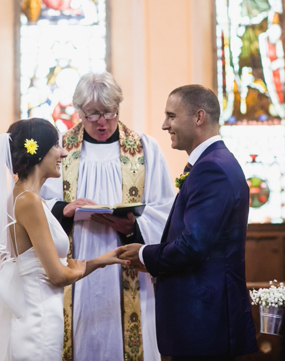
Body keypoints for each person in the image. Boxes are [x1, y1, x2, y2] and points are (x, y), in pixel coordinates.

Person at [0, 118, 127, 361]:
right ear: (38, 152)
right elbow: (58, 275)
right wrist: (78, 270)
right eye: (56, 146)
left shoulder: (28, 198)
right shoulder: (29, 201)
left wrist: (104, 260)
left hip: (38, 313)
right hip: (38, 319)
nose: (64, 152)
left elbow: (49, 268)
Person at [41, 72, 176, 361]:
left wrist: (133, 226)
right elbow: (37, 203)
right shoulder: (60, 151)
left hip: (130, 268)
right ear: (79, 111)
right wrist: (64, 211)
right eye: (93, 115)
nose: (102, 122)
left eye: (109, 113)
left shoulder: (145, 149)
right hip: (76, 268)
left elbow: (165, 209)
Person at [118, 85, 258, 360]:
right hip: (205, 318)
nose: (164, 125)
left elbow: (194, 244)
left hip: (204, 320)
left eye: (171, 116)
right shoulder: (213, 163)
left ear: (198, 117)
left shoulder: (212, 168)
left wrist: (145, 253)